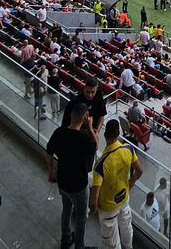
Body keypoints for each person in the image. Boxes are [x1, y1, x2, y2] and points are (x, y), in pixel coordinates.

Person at [47, 103, 96, 249]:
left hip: (62, 181)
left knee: (66, 210)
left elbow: (48, 153)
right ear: (85, 117)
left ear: (71, 115)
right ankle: (79, 246)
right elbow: (96, 145)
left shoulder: (59, 132)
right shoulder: (84, 140)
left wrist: (51, 170)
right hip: (79, 186)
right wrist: (91, 127)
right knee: (82, 217)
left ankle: (65, 239)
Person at [91, 119, 143, 249]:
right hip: (124, 198)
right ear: (118, 133)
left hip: (108, 208)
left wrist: (93, 210)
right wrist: (130, 183)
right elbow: (139, 171)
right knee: (126, 228)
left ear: (105, 135)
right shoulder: (128, 149)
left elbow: (93, 199)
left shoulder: (100, 165)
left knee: (111, 241)